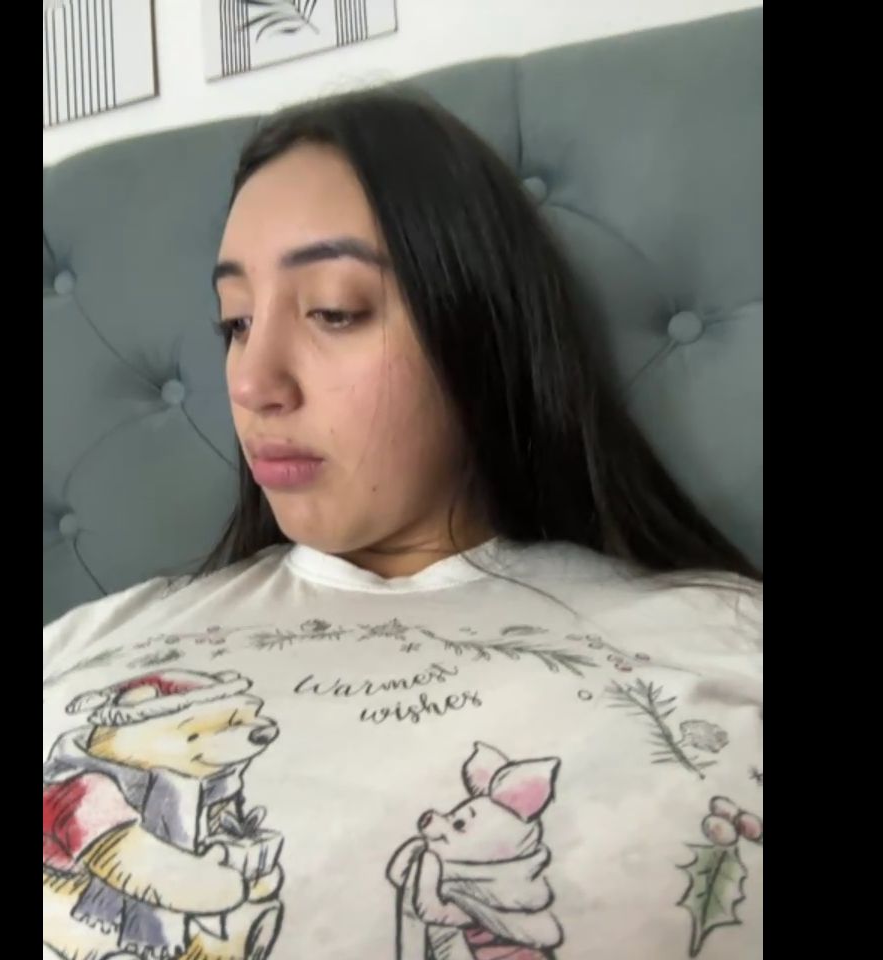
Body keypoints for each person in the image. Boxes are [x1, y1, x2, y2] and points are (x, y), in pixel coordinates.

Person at [43, 90, 762, 960]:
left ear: (479, 327)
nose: (251, 381)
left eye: (334, 310)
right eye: (235, 321)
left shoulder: (722, 644)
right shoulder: (91, 639)